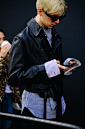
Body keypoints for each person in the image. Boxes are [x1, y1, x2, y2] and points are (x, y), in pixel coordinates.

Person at [8, 0, 72, 128]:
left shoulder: (53, 34)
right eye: (54, 17)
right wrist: (46, 69)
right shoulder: (21, 39)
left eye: (60, 17)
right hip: (34, 106)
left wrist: (65, 68)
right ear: (40, 11)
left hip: (55, 103)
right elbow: (14, 78)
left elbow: (54, 68)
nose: (57, 21)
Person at [0, 28, 22, 129]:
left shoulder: (8, 56)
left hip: (8, 97)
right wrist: (1, 57)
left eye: (3, 38)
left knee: (6, 126)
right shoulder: (2, 56)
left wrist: (12, 55)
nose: (2, 42)